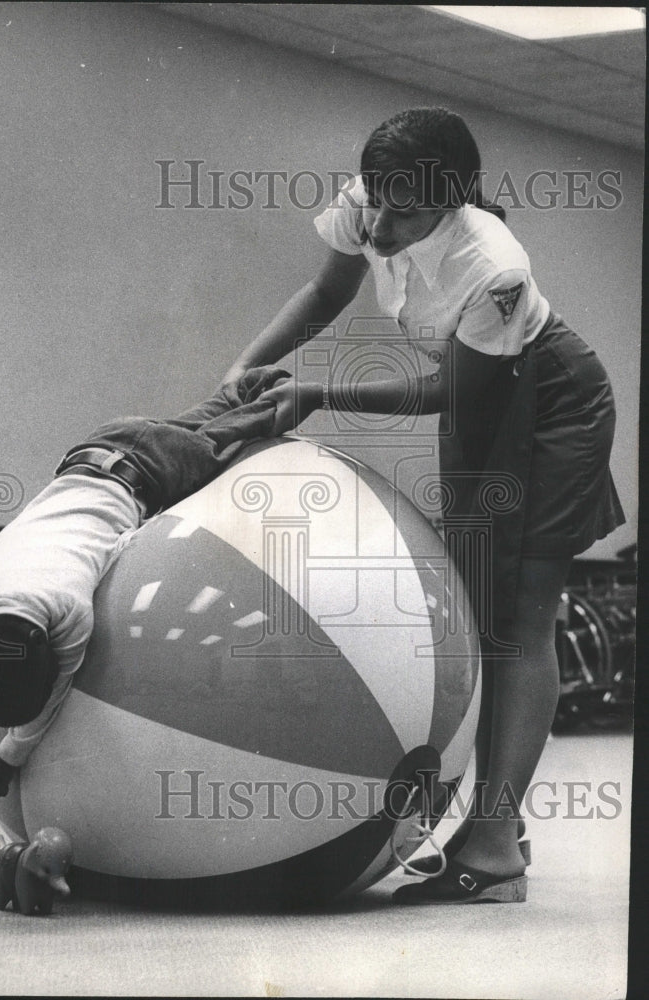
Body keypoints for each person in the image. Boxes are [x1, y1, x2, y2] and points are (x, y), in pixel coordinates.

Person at [223, 107, 625, 904]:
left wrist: (315, 392)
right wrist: (250, 361)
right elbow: (322, 289)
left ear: (450, 200)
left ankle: (495, 843)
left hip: (552, 403)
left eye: (402, 213)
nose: (377, 225)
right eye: (374, 199)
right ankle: (489, 820)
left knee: (520, 618)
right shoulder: (374, 199)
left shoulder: (494, 265)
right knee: (474, 610)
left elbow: (450, 391)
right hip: (482, 392)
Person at [0, 366, 289, 811]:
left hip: (160, 471)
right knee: (220, 409)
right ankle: (248, 386)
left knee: (258, 422)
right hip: (107, 441)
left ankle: (281, 396)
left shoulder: (68, 609)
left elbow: (45, 696)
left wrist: (3, 760)